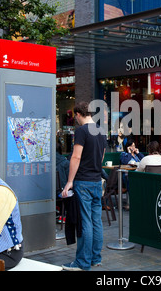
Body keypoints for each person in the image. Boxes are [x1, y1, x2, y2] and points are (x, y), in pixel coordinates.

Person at [61, 101, 107, 271]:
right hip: (96, 181)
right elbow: (101, 157)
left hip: (83, 181)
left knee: (85, 222)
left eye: (75, 117)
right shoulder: (101, 130)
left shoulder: (81, 131)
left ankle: (82, 262)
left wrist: (69, 181)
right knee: (96, 221)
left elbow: (76, 157)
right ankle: (95, 258)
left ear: (78, 115)